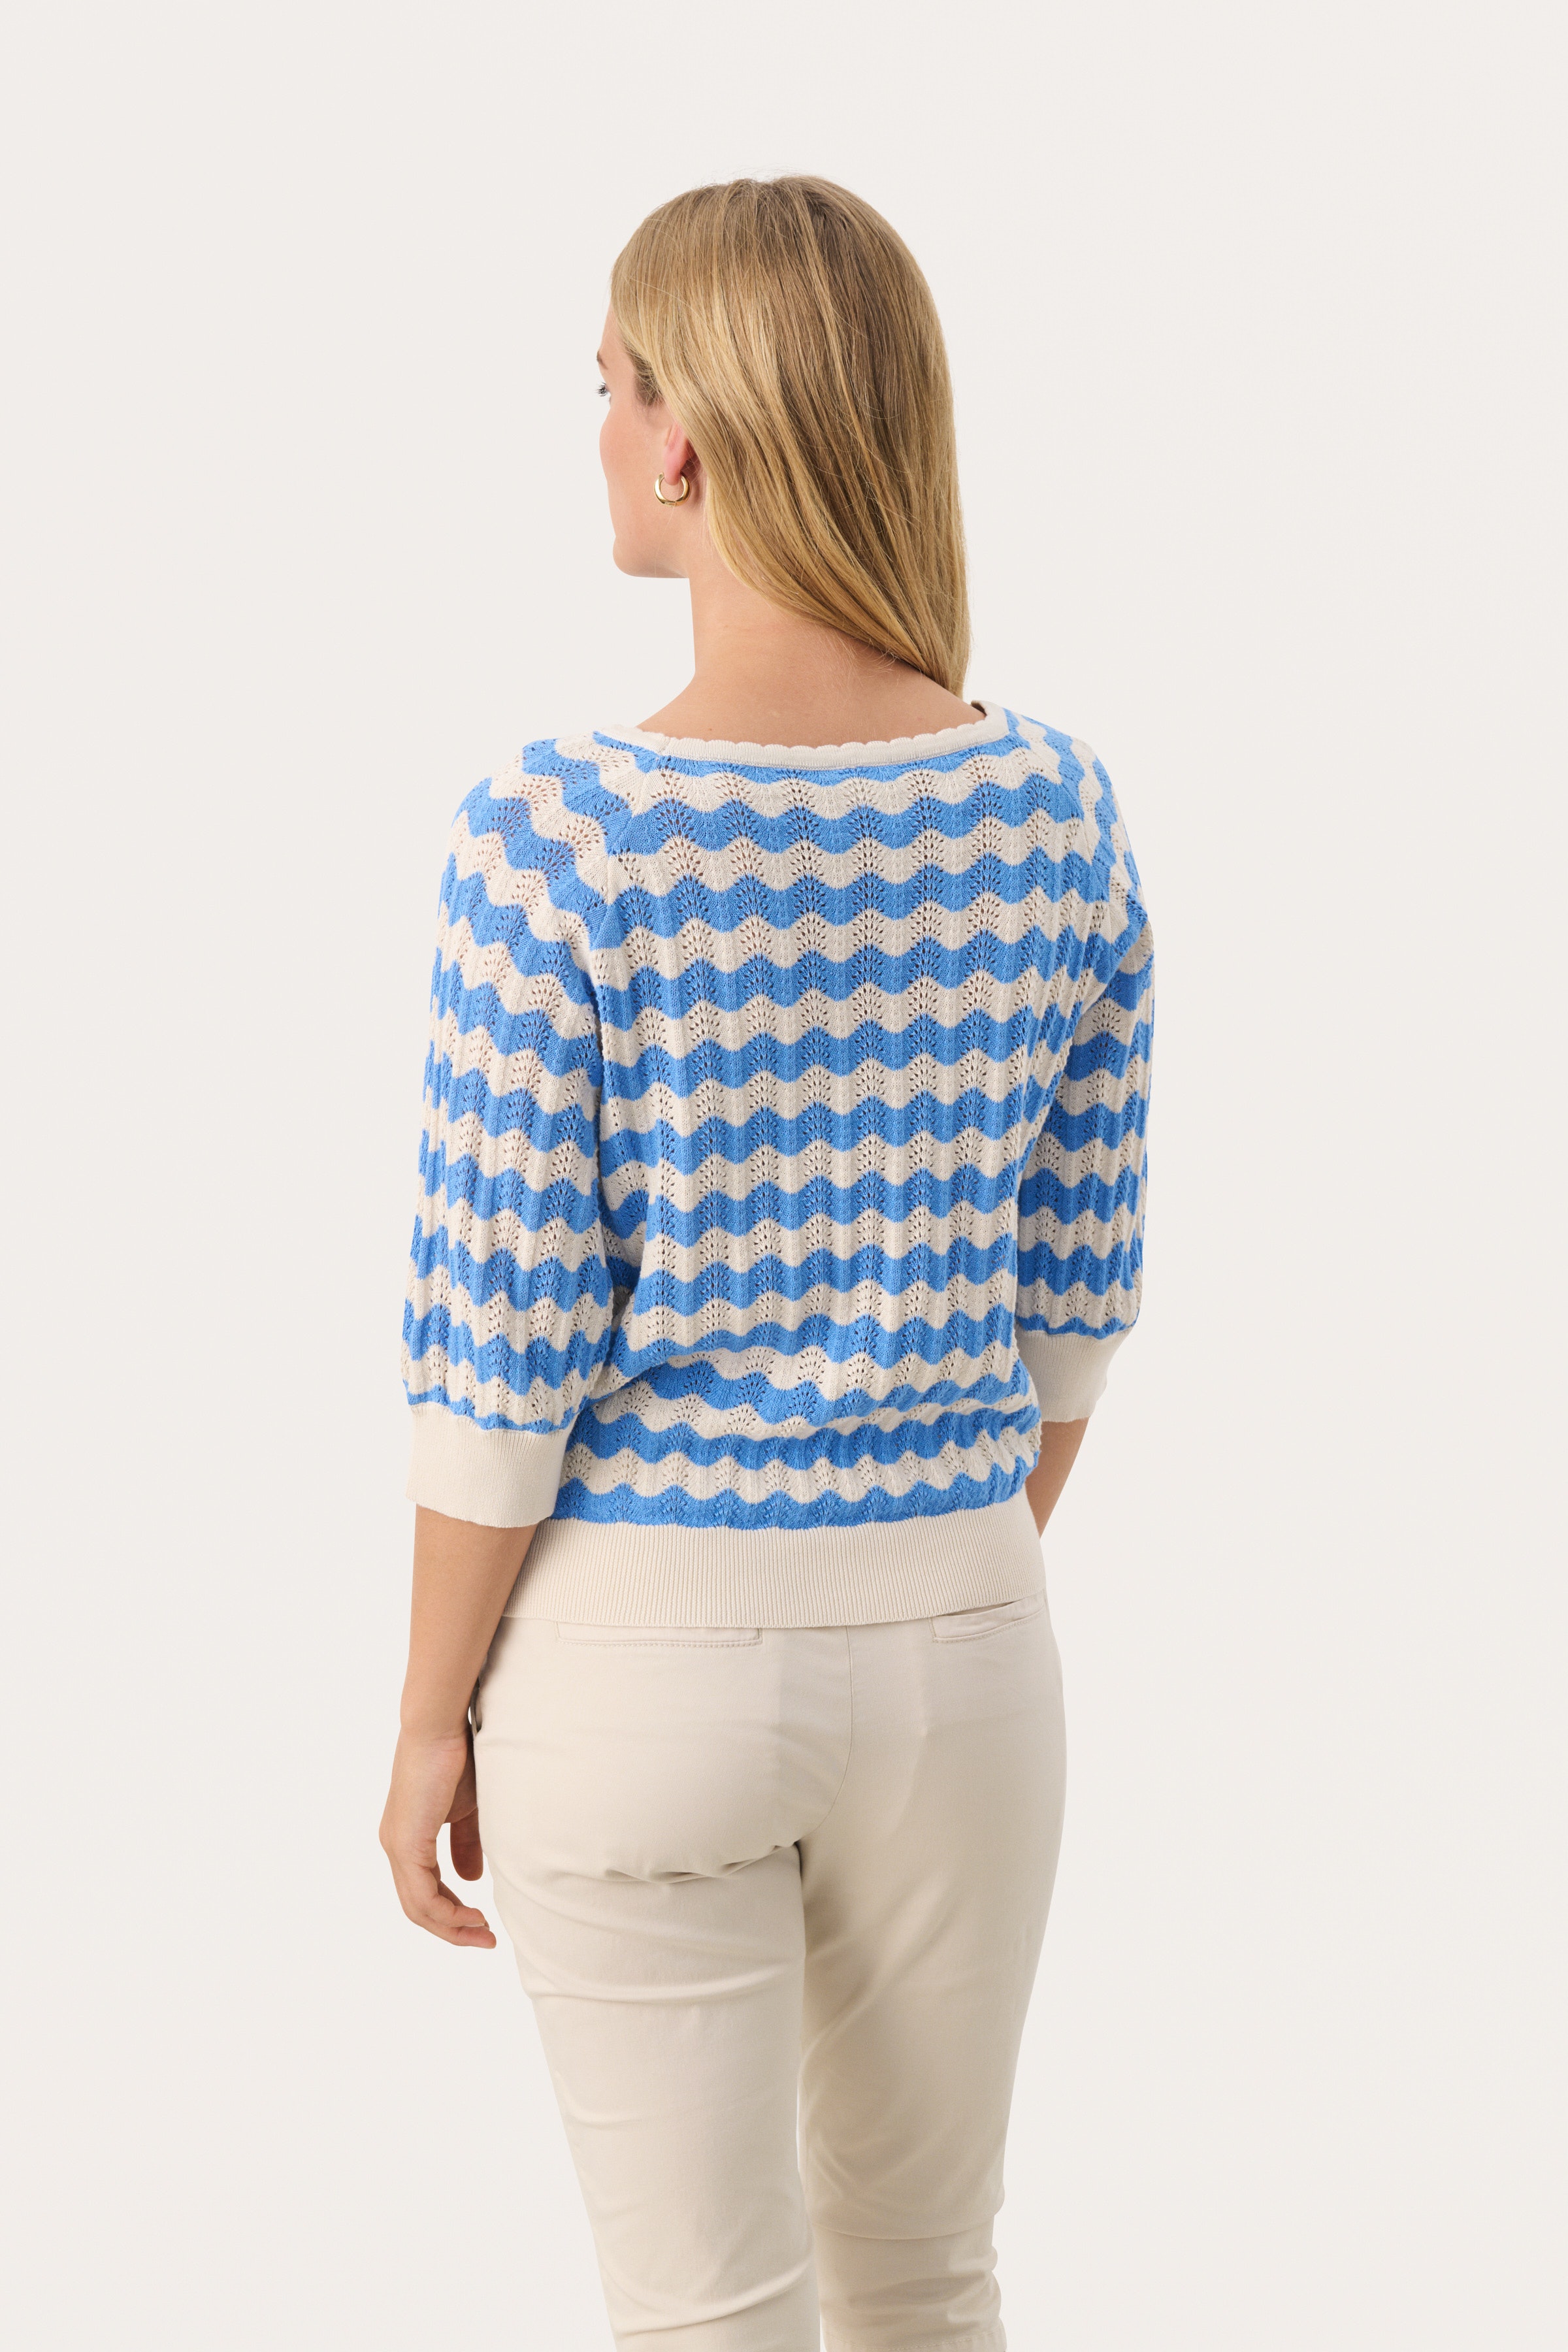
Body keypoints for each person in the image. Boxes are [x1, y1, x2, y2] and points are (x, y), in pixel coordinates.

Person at [380, 174, 1154, 2352]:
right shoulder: (1057, 812)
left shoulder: (561, 835)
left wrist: (429, 1720)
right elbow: (1075, 1305)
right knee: (931, 2278)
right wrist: (923, 1564)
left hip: (635, 1662)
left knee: (704, 2317)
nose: (599, 432)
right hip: (969, 1650)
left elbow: (500, 1362)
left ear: (687, 441)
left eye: (607, 388)